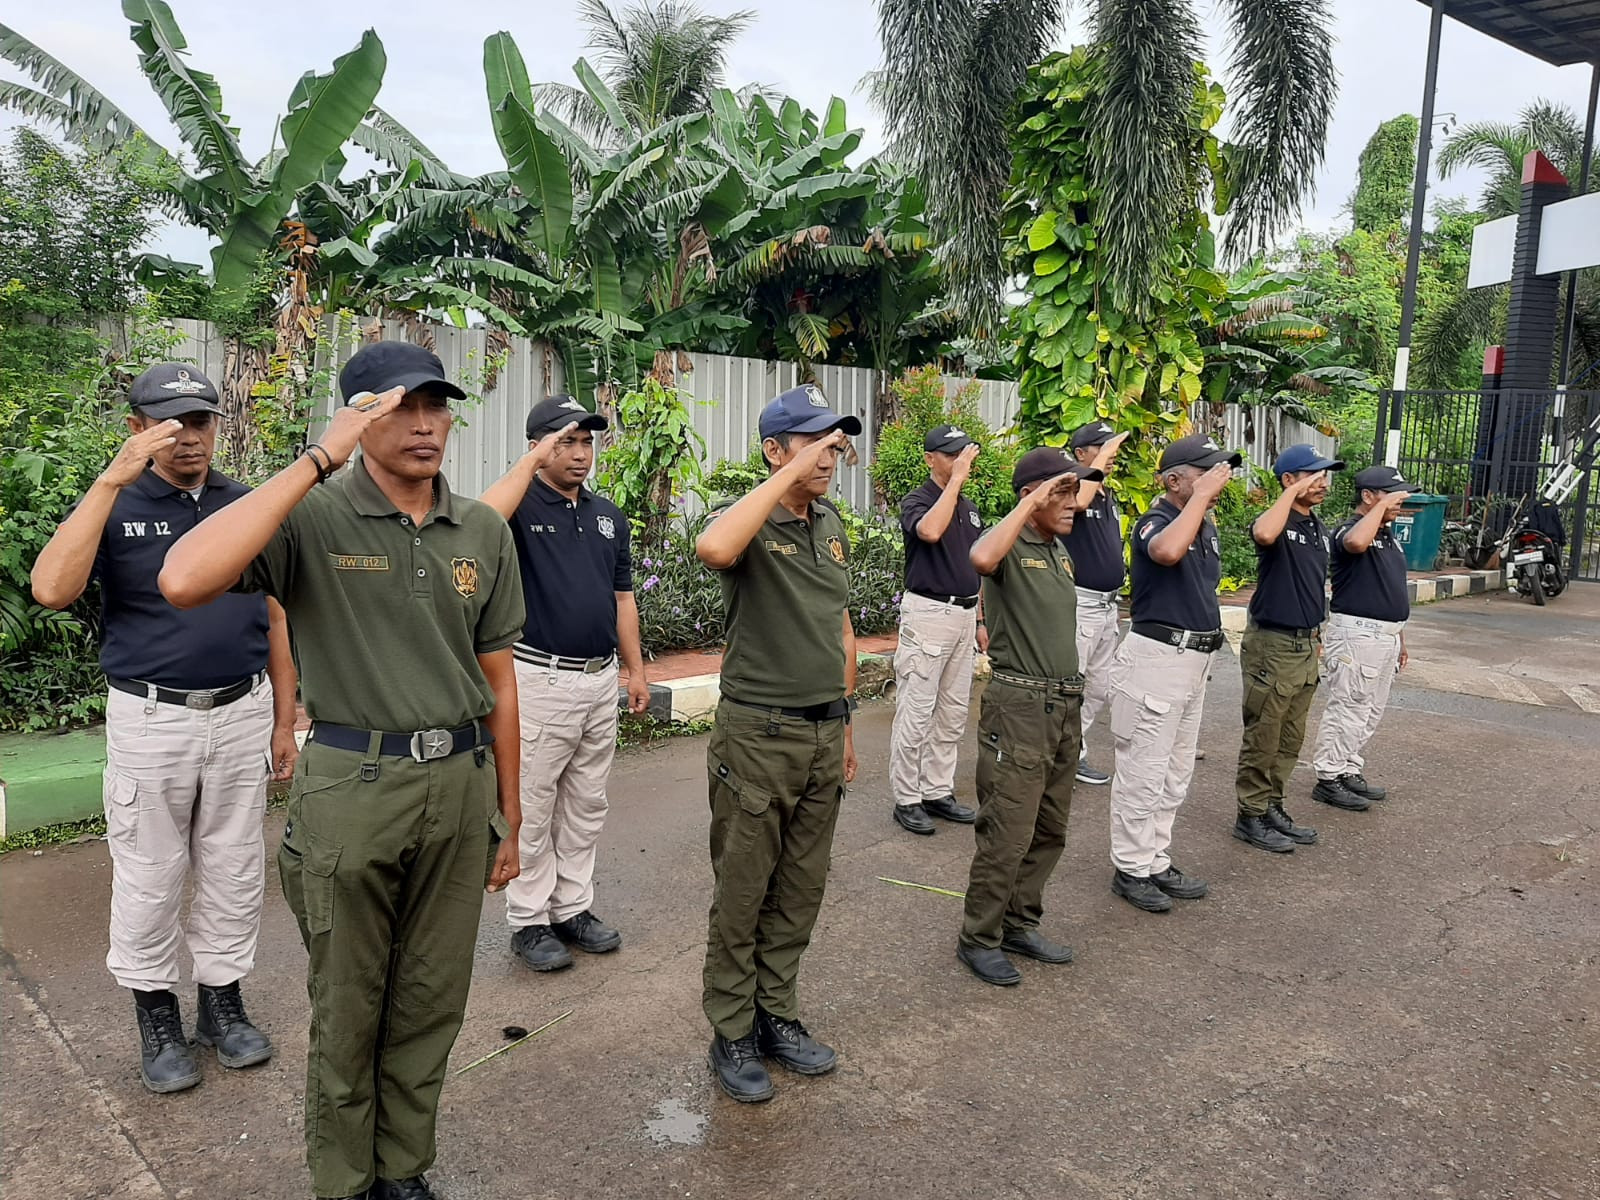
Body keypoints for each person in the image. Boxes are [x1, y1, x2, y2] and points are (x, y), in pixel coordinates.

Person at [159, 341, 525, 1200]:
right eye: (403, 407)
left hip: (459, 787)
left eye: (438, 407)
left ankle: (403, 1169)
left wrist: (511, 816)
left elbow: (500, 683)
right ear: (361, 416)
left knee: (432, 999)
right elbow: (183, 577)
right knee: (350, 1003)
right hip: (353, 786)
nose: (427, 424)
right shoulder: (311, 518)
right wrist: (319, 455)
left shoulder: (480, 529)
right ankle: (343, 1179)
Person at [30, 363, 298, 1096]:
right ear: (138, 428)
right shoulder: (116, 505)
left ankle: (221, 1004)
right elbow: (52, 589)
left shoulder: (244, 505)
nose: (188, 438)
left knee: (234, 866)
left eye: (201, 421)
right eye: (169, 423)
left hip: (241, 711)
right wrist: (109, 483)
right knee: (151, 874)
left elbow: (276, 614)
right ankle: (156, 1014)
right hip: (153, 718)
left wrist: (284, 718)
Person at [694, 383, 861, 1104]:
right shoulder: (751, 521)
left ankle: (776, 1015)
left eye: (837, 442)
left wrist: (846, 721)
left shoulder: (830, 522)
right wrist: (784, 480)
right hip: (759, 735)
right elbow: (712, 546)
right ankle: (731, 1028)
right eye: (816, 442)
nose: (832, 454)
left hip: (824, 731)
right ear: (774, 449)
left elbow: (841, 627)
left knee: (800, 889)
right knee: (743, 890)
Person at [478, 394, 651, 972]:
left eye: (586, 441)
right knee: (532, 801)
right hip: (539, 679)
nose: (581, 454)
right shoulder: (518, 507)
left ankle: (572, 907)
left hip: (599, 680)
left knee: (586, 803)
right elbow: (476, 528)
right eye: (567, 441)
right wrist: (530, 463)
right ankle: (529, 921)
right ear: (539, 446)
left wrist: (636, 669)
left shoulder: (607, 515)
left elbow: (622, 597)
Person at [956, 448, 1104, 986]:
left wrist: (1057, 496)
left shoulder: (1059, 549)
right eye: (1062, 492)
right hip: (1019, 705)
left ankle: (1020, 921)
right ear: (1032, 496)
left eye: (1075, 492)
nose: (1074, 502)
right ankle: (979, 936)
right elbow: (979, 558)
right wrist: (1030, 503)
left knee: (1049, 828)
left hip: (1064, 704)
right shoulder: (1011, 543)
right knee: (1007, 830)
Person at [1107, 433, 1237, 914]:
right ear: (1175, 480)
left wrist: (1201, 505)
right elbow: (1164, 553)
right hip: (1156, 662)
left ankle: (1155, 857)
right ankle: (1131, 867)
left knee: (1175, 773)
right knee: (1144, 770)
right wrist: (1199, 501)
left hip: (1193, 663)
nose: (1217, 480)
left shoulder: (1202, 524)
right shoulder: (1157, 521)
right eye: (1206, 473)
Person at [1231, 445, 1344, 854]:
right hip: (1272, 644)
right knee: (1264, 733)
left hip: (1304, 643)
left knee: (1289, 737)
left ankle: (1272, 805)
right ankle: (1250, 814)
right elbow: (1262, 533)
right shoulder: (1277, 522)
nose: (1323, 483)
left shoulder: (1317, 526)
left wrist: (1317, 635)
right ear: (1288, 480)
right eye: (1314, 476)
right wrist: (1290, 492)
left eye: (1326, 476)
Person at [887, 424, 983, 836]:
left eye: (965, 453)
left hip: (964, 616)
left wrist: (980, 620)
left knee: (952, 712)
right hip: (928, 614)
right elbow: (929, 531)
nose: (961, 460)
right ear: (930, 459)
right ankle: (907, 798)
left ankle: (937, 790)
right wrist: (955, 481)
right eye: (952, 454)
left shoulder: (970, 506)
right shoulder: (919, 500)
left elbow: (977, 564)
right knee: (917, 709)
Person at [1311, 464, 1413, 812]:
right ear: (1368, 497)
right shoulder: (1350, 530)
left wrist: (1401, 635)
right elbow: (1354, 543)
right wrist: (1381, 511)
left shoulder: (1386, 534)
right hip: (1358, 634)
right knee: (1350, 706)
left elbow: (1392, 588)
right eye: (1392, 496)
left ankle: (1348, 766)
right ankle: (1329, 776)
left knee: (1370, 710)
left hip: (1385, 635)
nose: (1400, 502)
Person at [1062, 421, 1132, 786]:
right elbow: (1079, 502)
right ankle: (1062, 754)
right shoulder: (1074, 485)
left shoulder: (1108, 495)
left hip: (1108, 607)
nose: (1111, 455)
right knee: (1072, 683)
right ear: (1081, 453)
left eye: (1112, 448)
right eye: (1102, 447)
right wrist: (1099, 462)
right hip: (1082, 604)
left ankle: (1074, 751)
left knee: (1099, 687)